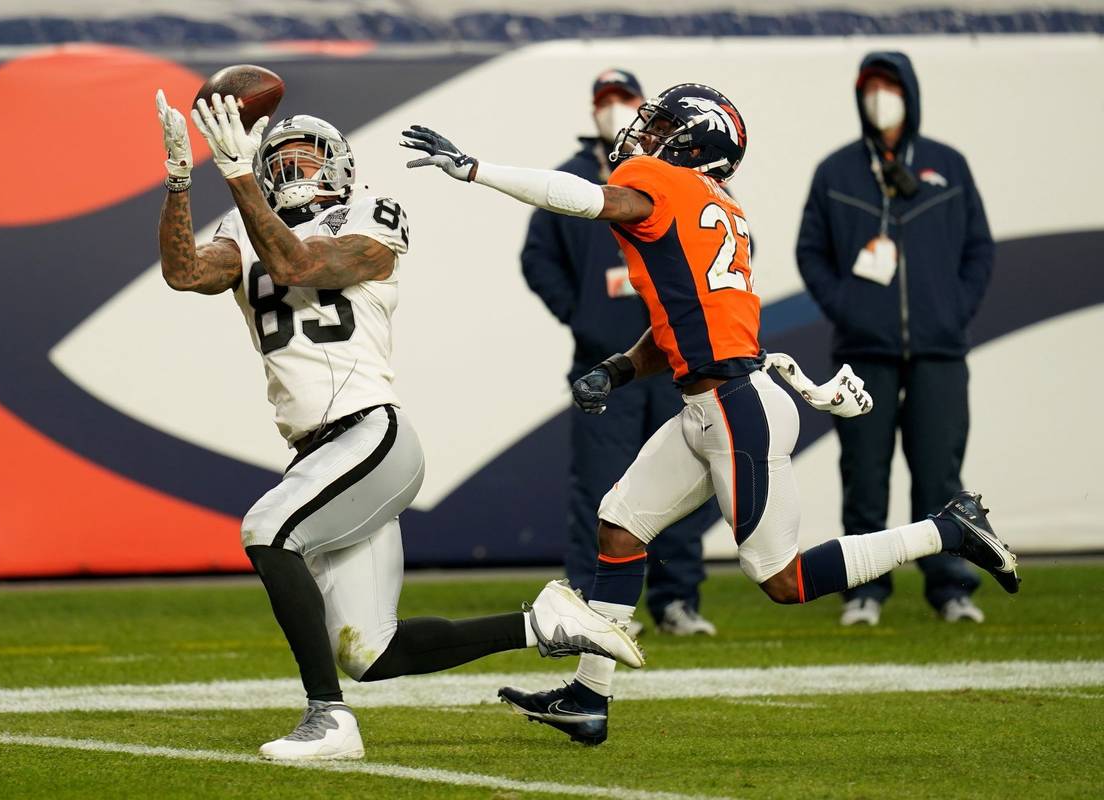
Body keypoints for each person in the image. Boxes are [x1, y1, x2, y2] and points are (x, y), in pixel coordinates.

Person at [400, 81, 1018, 745]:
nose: (646, 133)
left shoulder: (659, 184)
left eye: (664, 125)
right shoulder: (721, 205)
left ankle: (947, 531)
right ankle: (588, 698)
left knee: (783, 580)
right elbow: (682, 327)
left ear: (696, 140)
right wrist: (616, 367)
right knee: (619, 527)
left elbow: (582, 199)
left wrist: (475, 170)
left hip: (731, 406)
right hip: (714, 400)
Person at [153, 90, 642, 761]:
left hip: (370, 436)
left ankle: (328, 720)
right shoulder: (243, 228)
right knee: (369, 650)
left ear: (340, 165)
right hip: (318, 453)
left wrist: (239, 176)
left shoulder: (373, 215)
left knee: (268, 531)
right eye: (281, 159)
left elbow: (300, 266)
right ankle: (544, 623)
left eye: (307, 156)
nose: (296, 168)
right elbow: (184, 274)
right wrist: (180, 182)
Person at [795, 51, 995, 627]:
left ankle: (952, 587)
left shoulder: (946, 166)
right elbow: (811, 251)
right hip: (863, 355)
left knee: (940, 475)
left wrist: (955, 310)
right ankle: (864, 589)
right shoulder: (836, 172)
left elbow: (980, 248)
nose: (879, 97)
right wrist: (848, 308)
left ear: (909, 92)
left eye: (889, 86)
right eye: (870, 87)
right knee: (864, 477)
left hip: (939, 351)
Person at [521, 68, 717, 638]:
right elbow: (538, 260)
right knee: (601, 486)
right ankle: (593, 607)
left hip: (674, 360)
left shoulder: (678, 176)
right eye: (604, 101)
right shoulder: (572, 179)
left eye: (624, 101)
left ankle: (677, 600)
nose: (613, 110)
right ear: (593, 111)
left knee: (682, 483)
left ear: (643, 110)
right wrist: (582, 314)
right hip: (604, 360)